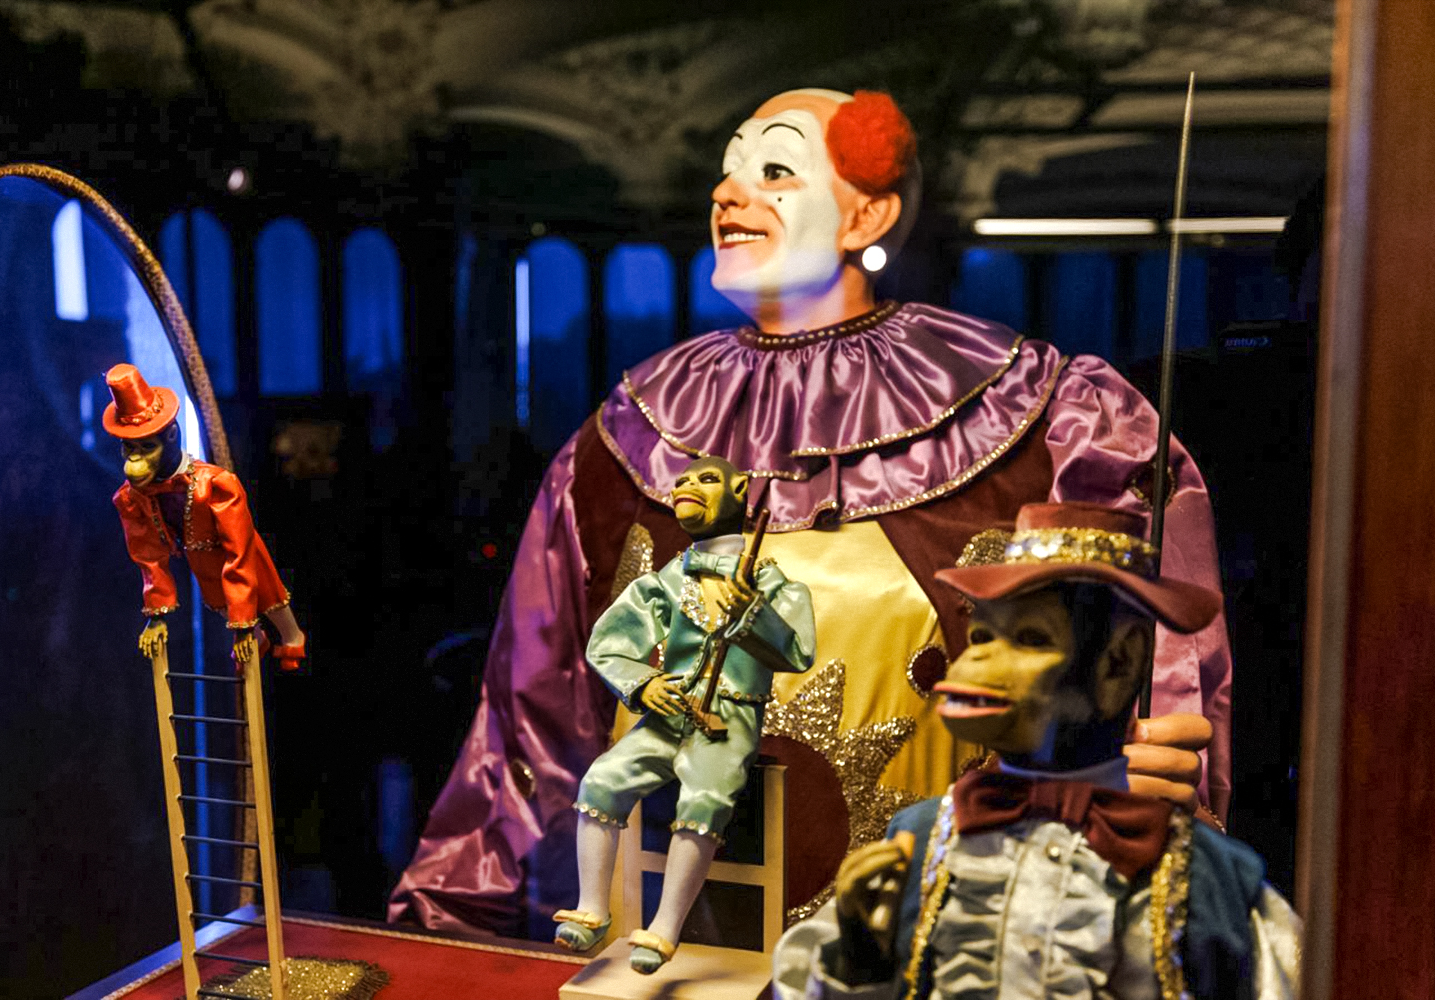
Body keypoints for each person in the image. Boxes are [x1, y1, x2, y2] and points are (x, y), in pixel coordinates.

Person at [389, 88, 1230, 936]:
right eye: (725, 172)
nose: (727, 194)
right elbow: (527, 722)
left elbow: (1157, 677)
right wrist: (456, 918)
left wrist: (1151, 790)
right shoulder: (624, 439)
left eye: (775, 170)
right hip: (660, 965)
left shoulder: (1055, 421)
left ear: (867, 213)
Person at [771, 502, 1297, 999]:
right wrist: (859, 959)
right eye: (981, 637)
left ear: (1118, 664)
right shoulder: (919, 843)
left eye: (1029, 639)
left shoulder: (1207, 878)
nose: (978, 663)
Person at [553, 455, 816, 972]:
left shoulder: (770, 582)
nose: (688, 486)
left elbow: (798, 653)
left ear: (741, 491)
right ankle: (592, 909)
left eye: (708, 479)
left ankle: (664, 929)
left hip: (728, 721)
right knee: (601, 781)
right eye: (683, 480)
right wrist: (644, 682)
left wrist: (753, 614)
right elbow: (608, 643)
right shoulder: (669, 580)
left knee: (705, 798)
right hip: (669, 714)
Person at [102, 362, 307, 667]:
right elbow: (148, 555)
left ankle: (291, 637)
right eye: (128, 447)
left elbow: (238, 552)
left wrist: (244, 621)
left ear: (171, 436)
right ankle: (258, 637)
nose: (136, 458)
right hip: (199, 555)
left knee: (268, 591)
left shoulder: (215, 485)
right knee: (217, 599)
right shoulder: (133, 498)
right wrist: (158, 616)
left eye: (146, 447)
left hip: (235, 550)